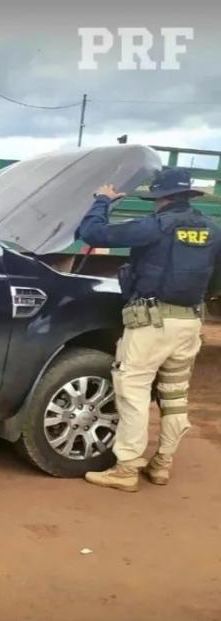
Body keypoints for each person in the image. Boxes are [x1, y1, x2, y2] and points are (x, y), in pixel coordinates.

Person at [75, 168, 221, 492]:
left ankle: (126, 468)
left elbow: (93, 233)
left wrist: (103, 200)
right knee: (174, 394)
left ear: (161, 198)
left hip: (151, 323)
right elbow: (215, 281)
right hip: (190, 323)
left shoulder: (156, 227)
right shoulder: (213, 230)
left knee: (134, 390)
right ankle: (162, 465)